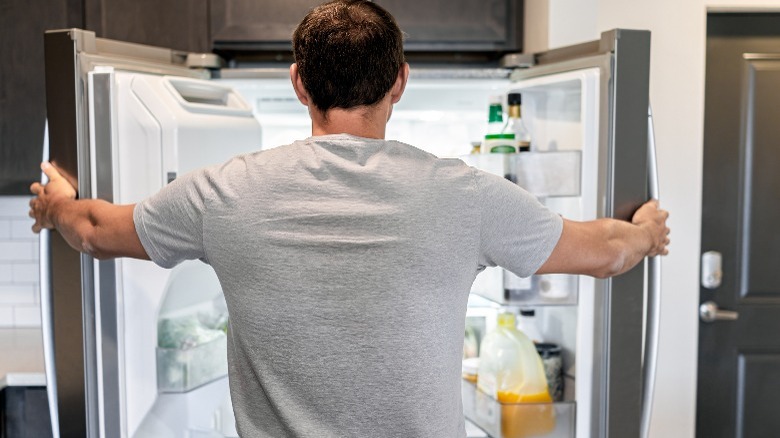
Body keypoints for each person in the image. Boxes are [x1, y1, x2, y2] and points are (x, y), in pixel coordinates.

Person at [29, 0, 670, 436]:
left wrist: (54, 203)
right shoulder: (467, 195)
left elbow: (91, 230)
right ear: (400, 81)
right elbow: (606, 251)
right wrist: (647, 230)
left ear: (299, 83)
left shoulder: (224, 193)